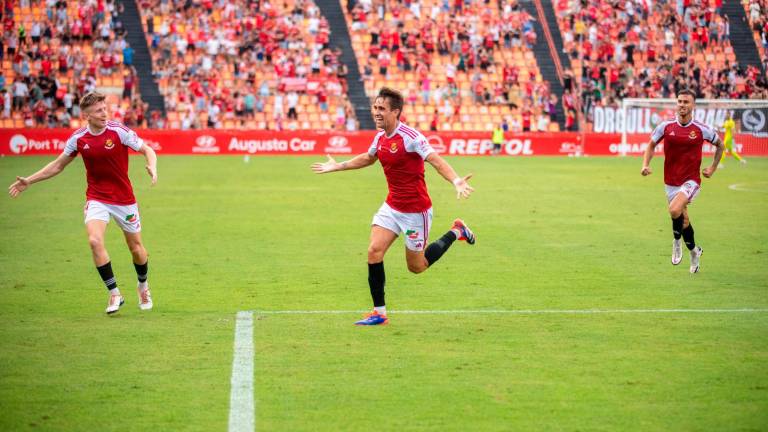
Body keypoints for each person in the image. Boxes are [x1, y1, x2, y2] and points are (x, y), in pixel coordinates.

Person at [311, 87, 475, 325]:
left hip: (415, 212)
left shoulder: (411, 137)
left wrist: (456, 180)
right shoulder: (380, 138)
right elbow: (369, 157)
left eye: (382, 109)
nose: (376, 112)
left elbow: (436, 161)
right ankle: (379, 313)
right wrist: (339, 166)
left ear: (395, 112)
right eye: (375, 107)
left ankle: (457, 231)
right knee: (374, 251)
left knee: (416, 267)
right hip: (392, 207)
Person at [8, 91, 158, 314]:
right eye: (98, 111)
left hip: (124, 199)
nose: (104, 113)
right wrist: (29, 181)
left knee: (136, 248)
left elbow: (147, 149)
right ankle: (114, 293)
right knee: (94, 241)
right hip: (97, 198)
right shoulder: (78, 139)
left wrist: (152, 166)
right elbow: (58, 165)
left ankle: (143, 286)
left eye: (104, 109)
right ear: (86, 115)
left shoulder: (119, 131)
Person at [641, 88, 724, 273]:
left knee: (674, 209)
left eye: (686, 102)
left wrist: (712, 168)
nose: (682, 105)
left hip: (691, 180)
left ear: (693, 105)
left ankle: (676, 242)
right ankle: (694, 252)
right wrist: (645, 164)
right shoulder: (666, 126)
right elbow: (651, 144)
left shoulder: (701, 129)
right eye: (679, 101)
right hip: (670, 181)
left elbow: (720, 145)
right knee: (683, 220)